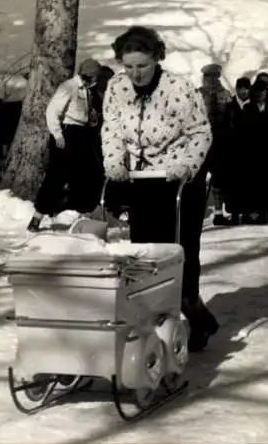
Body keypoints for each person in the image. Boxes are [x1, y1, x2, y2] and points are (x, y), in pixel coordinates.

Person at [101, 26, 219, 352]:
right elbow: (111, 130)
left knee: (179, 254)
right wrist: (114, 162)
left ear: (156, 58)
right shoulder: (116, 88)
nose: (134, 73)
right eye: (128, 66)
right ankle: (153, 325)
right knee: (145, 255)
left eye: (142, 65)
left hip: (181, 180)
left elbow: (201, 133)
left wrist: (186, 166)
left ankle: (196, 316)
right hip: (143, 180)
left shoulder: (178, 89)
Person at [27, 58, 108, 232]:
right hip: (66, 134)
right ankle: (37, 216)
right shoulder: (69, 87)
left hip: (81, 134)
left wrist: (92, 120)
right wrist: (58, 135)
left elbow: (83, 116)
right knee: (56, 176)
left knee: (84, 176)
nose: (96, 80)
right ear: (89, 75)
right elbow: (52, 111)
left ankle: (80, 216)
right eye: (95, 77)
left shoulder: (86, 91)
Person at [239, 79, 268, 224]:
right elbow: (243, 131)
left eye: (263, 92)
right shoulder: (248, 108)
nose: (261, 94)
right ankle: (256, 213)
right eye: (258, 92)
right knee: (255, 184)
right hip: (253, 153)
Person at [198, 64, 232, 226]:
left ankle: (218, 213)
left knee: (219, 180)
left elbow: (231, 119)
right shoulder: (196, 95)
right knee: (198, 180)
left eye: (215, 77)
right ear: (204, 78)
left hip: (220, 143)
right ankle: (196, 214)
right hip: (200, 144)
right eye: (209, 77)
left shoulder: (225, 95)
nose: (212, 80)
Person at [224, 77, 251, 223]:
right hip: (233, 150)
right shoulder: (230, 105)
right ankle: (234, 213)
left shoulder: (254, 105)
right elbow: (225, 126)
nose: (243, 91)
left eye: (246, 88)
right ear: (237, 89)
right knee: (233, 183)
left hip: (249, 150)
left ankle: (246, 213)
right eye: (240, 88)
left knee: (247, 182)